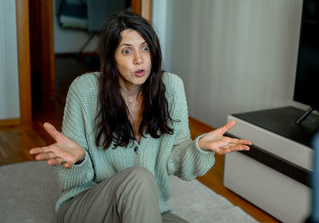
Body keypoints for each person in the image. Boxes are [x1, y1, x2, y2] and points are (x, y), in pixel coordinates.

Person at [29, 11, 252, 223]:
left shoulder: (171, 87)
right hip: (87, 209)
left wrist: (200, 146)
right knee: (140, 176)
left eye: (145, 48)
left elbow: (177, 164)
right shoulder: (85, 90)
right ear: (111, 58)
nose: (139, 60)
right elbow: (73, 180)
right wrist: (79, 159)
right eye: (127, 51)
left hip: (144, 208)